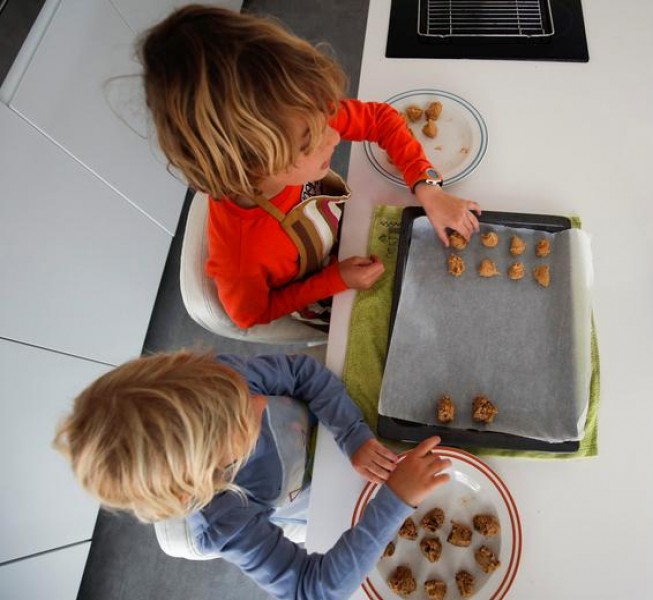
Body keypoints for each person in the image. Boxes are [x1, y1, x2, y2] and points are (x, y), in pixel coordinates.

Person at [140, 5, 481, 329]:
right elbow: (252, 315)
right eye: (309, 141)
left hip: (338, 232)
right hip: (321, 289)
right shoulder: (243, 258)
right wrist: (336, 280)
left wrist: (428, 188)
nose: (334, 136)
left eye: (324, 114)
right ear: (252, 167)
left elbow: (380, 119)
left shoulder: (296, 115)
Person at [54, 351, 450, 599]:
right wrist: (395, 501)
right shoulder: (225, 518)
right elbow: (310, 589)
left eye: (242, 392)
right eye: (244, 417)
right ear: (204, 477)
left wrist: (352, 435)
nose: (261, 401)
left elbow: (302, 375)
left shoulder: (219, 378)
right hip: (310, 505)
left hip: (338, 437)